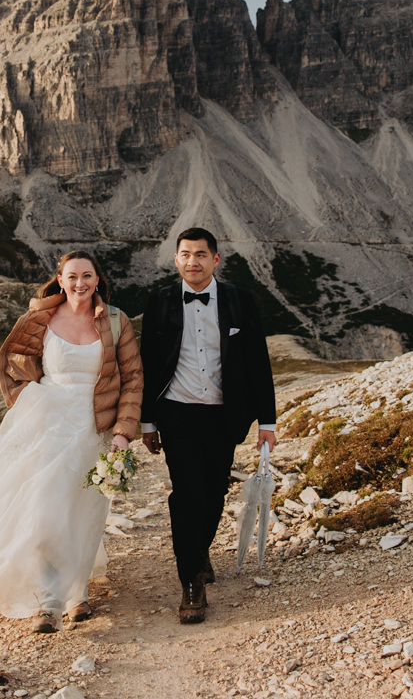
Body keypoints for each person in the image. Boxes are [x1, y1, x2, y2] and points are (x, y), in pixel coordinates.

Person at [0, 251, 143, 632]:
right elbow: (14, 360)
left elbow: (132, 379)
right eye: (72, 276)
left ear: (98, 281)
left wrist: (123, 433)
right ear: (60, 280)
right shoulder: (40, 318)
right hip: (48, 425)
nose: (80, 283)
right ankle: (49, 601)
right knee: (47, 512)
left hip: (95, 427)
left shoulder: (116, 321)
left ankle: (78, 595)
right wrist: (24, 403)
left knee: (85, 511)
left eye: (87, 276)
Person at [139, 227, 277, 624]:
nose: (192, 261)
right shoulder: (160, 301)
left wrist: (267, 420)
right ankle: (191, 583)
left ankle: (200, 551)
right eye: (185, 254)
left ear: (216, 260)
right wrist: (148, 422)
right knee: (185, 494)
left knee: (215, 490)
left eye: (201, 254)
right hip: (177, 412)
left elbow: (257, 362)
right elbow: (149, 363)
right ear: (176, 259)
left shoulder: (239, 300)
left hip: (224, 413)